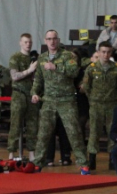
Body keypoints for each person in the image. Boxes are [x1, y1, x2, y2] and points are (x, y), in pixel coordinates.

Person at [31, 29, 90, 174]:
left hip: (66, 100)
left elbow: (74, 71)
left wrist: (56, 67)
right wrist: (34, 93)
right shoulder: (42, 58)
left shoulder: (67, 55)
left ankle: (83, 164)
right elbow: (38, 79)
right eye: (49, 39)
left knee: (74, 132)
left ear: (58, 40)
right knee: (43, 133)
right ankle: (38, 163)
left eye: (54, 39)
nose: (52, 41)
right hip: (49, 100)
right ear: (45, 41)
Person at [81, 42, 117, 170]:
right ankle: (92, 159)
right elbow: (86, 87)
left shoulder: (116, 68)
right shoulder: (91, 68)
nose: (105, 54)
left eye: (108, 52)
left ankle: (112, 159)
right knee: (94, 131)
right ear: (98, 52)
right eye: (103, 52)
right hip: (96, 104)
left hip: (112, 104)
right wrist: (93, 99)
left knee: (112, 131)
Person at [7, 33, 39, 162]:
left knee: (33, 124)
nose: (28, 44)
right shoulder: (15, 57)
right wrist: (29, 70)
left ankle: (32, 152)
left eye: (30, 42)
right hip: (18, 93)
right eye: (25, 42)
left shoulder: (34, 58)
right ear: (20, 42)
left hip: (31, 94)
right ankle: (11, 152)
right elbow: (14, 76)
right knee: (15, 124)